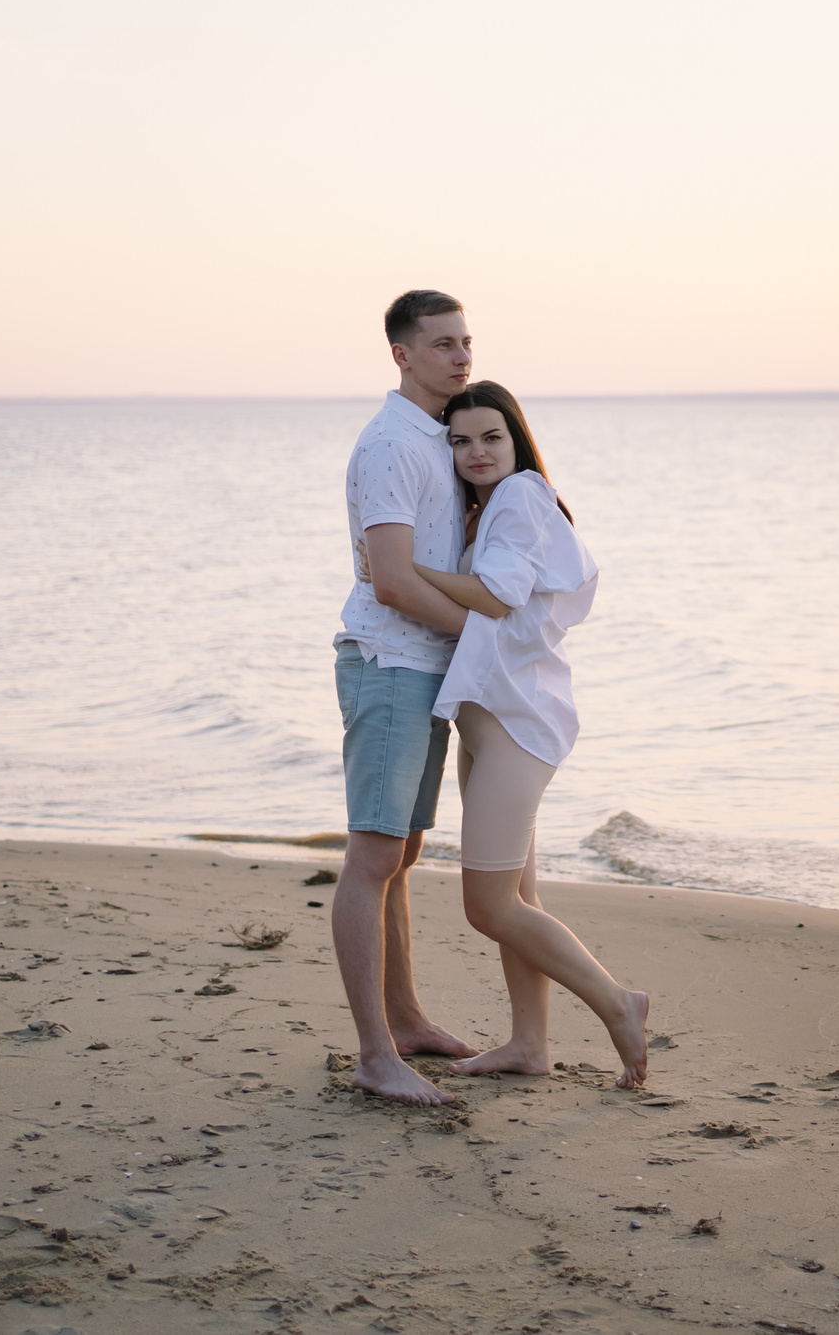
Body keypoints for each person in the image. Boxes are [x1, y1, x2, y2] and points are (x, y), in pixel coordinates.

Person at [410, 382, 650, 1089]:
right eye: (460, 441)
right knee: (518, 898)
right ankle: (528, 1044)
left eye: (492, 437)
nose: (476, 452)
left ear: (516, 439)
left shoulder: (518, 495)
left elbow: (496, 596)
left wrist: (405, 570)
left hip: (514, 729)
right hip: (490, 725)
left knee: (488, 906)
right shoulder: (492, 508)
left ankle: (618, 1003)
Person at [329, 289, 479, 1105]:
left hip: (424, 665)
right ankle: (375, 1055)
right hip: (389, 662)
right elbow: (389, 580)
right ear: (402, 354)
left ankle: (407, 1020)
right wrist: (483, 637)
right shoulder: (392, 442)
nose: (461, 356)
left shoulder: (436, 435)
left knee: (403, 853)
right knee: (374, 855)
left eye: (466, 341)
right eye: (443, 343)